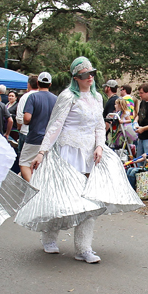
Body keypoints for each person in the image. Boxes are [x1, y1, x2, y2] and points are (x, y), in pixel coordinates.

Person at [28, 57, 111, 263]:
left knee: (89, 200)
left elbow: (100, 125)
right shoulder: (67, 96)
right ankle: (49, 237)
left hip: (90, 154)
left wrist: (100, 145)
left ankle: (84, 248)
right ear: (76, 77)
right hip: (67, 152)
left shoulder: (97, 97)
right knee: (62, 198)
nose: (90, 77)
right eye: (85, 75)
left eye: (92, 73)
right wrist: (42, 152)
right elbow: (55, 125)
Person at [19, 72, 57, 182]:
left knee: (24, 162)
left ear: (37, 83)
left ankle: (33, 186)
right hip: (50, 140)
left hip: (34, 137)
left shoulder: (33, 97)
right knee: (44, 166)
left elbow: (26, 118)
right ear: (50, 84)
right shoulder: (56, 99)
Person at [15, 75, 39, 174]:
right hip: (41, 135)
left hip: (26, 132)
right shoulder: (45, 96)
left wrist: (20, 127)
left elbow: (20, 118)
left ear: (28, 84)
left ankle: (27, 182)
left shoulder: (25, 97)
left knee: (24, 161)